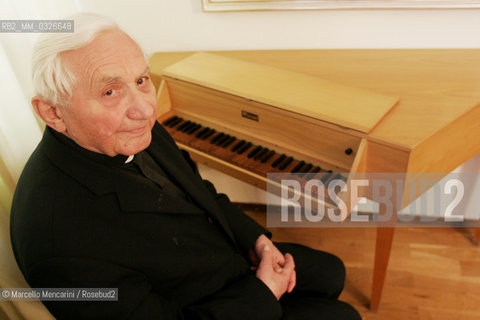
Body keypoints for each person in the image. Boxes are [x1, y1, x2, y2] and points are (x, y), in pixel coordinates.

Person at [10, 13, 361, 320]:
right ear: (52, 112)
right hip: (210, 303)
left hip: (227, 258)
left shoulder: (131, 130)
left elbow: (199, 192)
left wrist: (258, 241)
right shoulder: (58, 248)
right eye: (109, 92)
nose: (146, 109)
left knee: (332, 272)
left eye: (141, 80)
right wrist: (263, 292)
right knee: (343, 315)